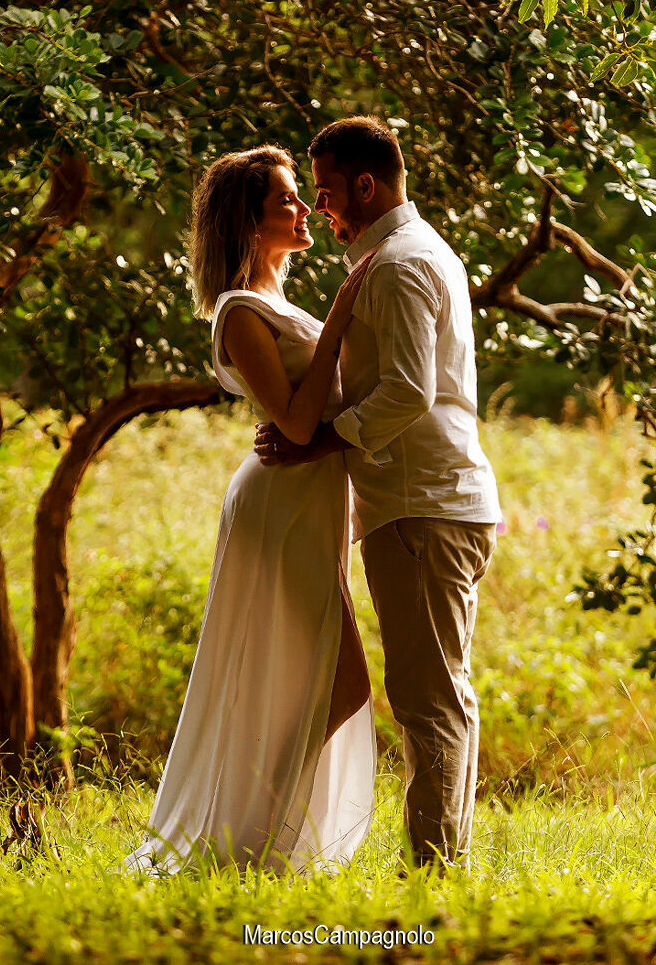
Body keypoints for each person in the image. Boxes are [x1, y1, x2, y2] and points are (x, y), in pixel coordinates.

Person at [257, 117, 502, 870]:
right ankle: (443, 858)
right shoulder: (409, 254)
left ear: (366, 185)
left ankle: (433, 868)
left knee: (429, 699)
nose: (319, 210)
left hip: (419, 504)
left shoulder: (397, 264)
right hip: (429, 499)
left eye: (326, 193)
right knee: (442, 692)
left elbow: (405, 393)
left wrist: (319, 438)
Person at [125, 144, 376, 875]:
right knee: (344, 679)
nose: (304, 210)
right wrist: (339, 314)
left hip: (314, 499)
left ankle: (255, 827)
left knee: (316, 674)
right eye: (286, 203)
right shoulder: (240, 313)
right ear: (248, 225)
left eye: (300, 198)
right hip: (281, 504)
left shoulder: (280, 304)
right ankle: (250, 833)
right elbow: (296, 425)